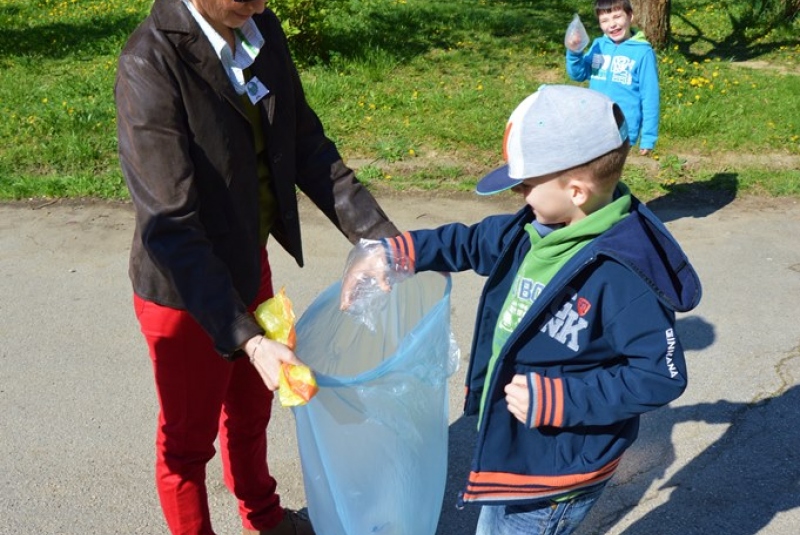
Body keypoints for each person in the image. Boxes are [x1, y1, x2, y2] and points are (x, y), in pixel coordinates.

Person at [341, 84, 702, 535]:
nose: (520, 196)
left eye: (527, 185)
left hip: (555, 473)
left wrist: (561, 399)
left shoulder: (624, 275)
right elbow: (468, 241)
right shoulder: (533, 228)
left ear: (575, 191)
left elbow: (660, 375)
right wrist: (396, 253)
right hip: (517, 450)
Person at [114, 0, 399, 533]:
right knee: (187, 445)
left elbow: (306, 144)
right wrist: (247, 337)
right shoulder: (148, 63)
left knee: (251, 413)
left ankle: (263, 517)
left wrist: (381, 240)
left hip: (250, 261)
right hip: (185, 295)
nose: (262, 1)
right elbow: (170, 225)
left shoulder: (256, 25)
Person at [565, 0, 660, 156]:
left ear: (630, 16)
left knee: (607, 172)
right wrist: (575, 52)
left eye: (617, 16)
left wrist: (648, 136)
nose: (612, 24)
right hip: (593, 122)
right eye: (605, 20)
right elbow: (578, 74)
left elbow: (650, 97)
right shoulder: (599, 45)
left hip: (622, 128)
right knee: (592, 170)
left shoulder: (643, 53)